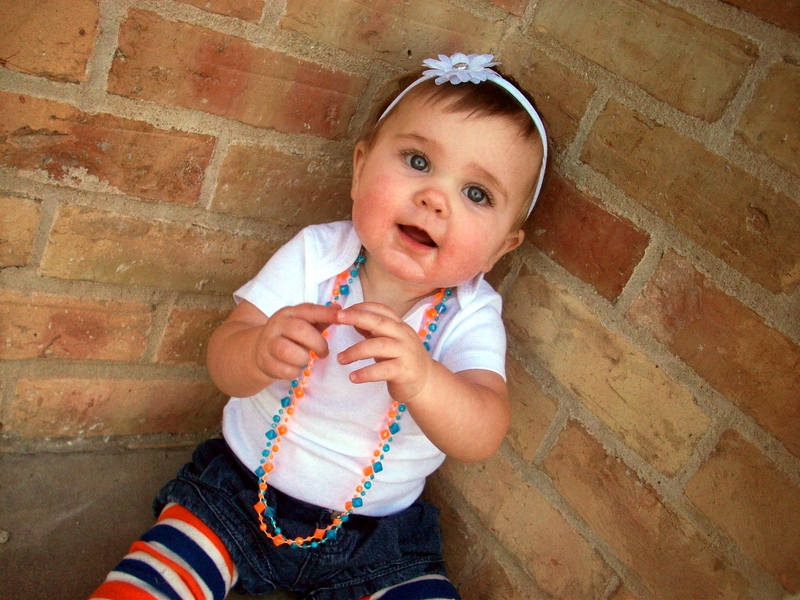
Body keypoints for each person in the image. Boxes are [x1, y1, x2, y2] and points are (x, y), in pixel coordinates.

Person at [89, 52, 548, 600]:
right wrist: (257, 351)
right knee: (150, 585)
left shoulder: (470, 313)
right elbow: (223, 357)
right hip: (240, 494)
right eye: (418, 161)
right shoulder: (316, 255)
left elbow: (484, 430)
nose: (435, 198)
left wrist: (426, 380)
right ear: (360, 169)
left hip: (380, 540)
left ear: (501, 248)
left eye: (477, 194)